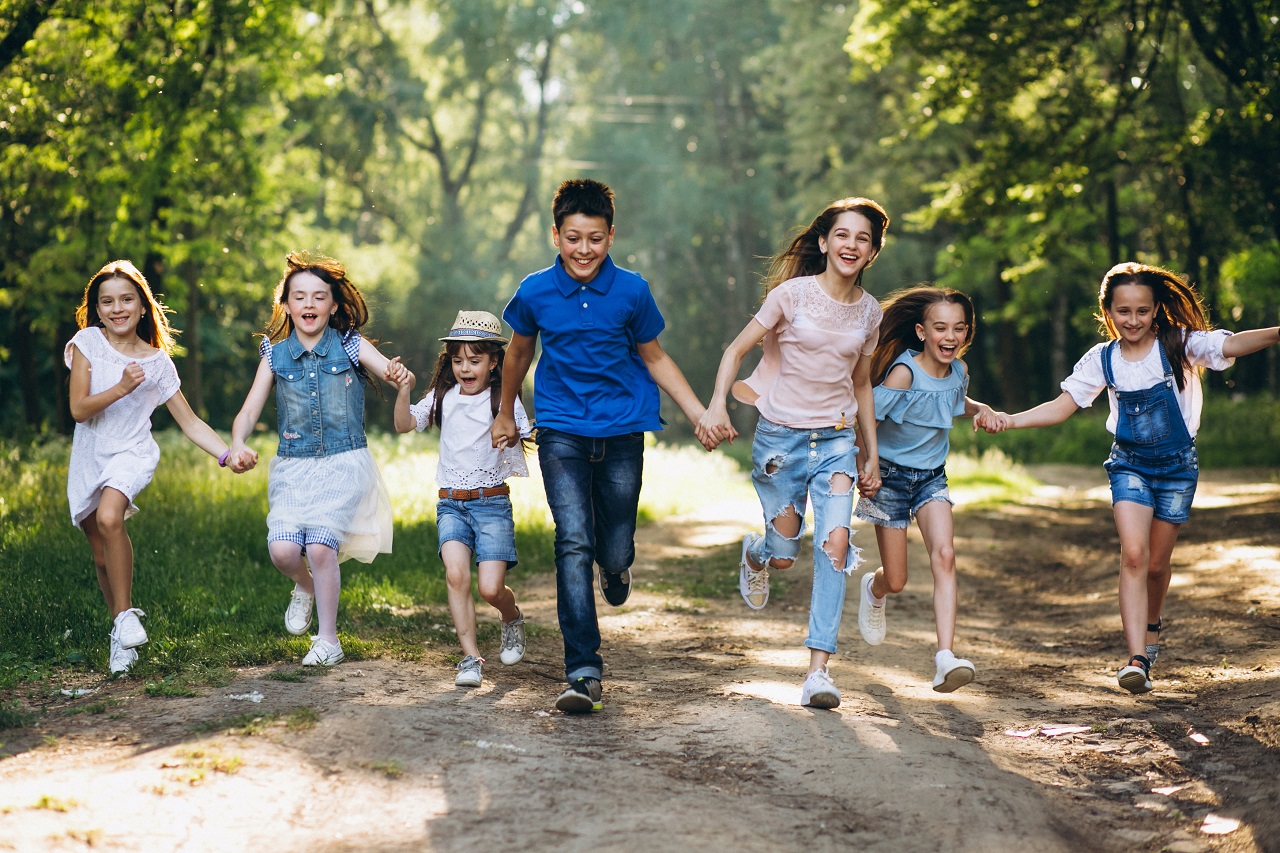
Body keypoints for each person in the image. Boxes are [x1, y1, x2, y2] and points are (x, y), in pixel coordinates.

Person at [983, 262, 1280, 693]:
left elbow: (1230, 344)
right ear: (1108, 312)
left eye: (1142, 311)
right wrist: (1008, 420)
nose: (1133, 320)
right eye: (1123, 311)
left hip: (1178, 468)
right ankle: (1137, 659)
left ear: (1156, 309)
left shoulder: (1179, 344)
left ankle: (1153, 622)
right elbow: (1061, 406)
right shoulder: (1102, 359)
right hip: (1129, 466)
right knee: (1135, 556)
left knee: (1157, 566)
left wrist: (1274, 333)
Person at [491, 178, 726, 714]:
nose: (583, 250)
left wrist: (699, 414)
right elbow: (518, 354)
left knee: (612, 545)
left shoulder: (632, 291)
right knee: (572, 539)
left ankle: (616, 567)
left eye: (594, 239)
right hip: (561, 430)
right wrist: (505, 412)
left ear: (611, 236)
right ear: (556, 235)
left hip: (621, 431)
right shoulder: (534, 291)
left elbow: (655, 357)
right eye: (573, 238)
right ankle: (583, 671)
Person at [700, 197, 889, 709]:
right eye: (843, 235)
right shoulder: (791, 295)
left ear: (872, 251)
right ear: (825, 242)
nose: (852, 245)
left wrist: (869, 454)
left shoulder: (870, 312)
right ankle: (757, 554)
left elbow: (863, 384)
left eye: (863, 239)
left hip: (835, 443)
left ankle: (818, 673)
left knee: (834, 549)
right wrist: (717, 405)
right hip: (780, 442)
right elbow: (734, 351)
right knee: (785, 555)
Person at [66, 260, 250, 676]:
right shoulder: (87, 344)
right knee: (99, 552)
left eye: (126, 299)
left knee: (112, 517)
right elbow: (78, 409)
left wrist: (226, 455)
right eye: (107, 301)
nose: (117, 309)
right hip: (91, 452)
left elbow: (190, 422)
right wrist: (120, 387)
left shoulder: (158, 363)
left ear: (143, 306)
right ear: (97, 310)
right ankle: (121, 631)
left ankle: (126, 614)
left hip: (132, 451)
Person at [228, 251, 409, 667]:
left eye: (319, 297)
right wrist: (238, 442)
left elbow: (392, 372)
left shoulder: (349, 344)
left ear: (333, 305)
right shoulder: (274, 355)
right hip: (294, 467)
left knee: (322, 547)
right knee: (283, 552)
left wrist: (401, 378)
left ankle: (328, 640)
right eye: (300, 297)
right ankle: (305, 586)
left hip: (344, 462)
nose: (309, 305)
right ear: (287, 305)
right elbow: (250, 410)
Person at [852, 285, 1000, 693]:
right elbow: (865, 418)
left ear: (967, 333)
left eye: (959, 329)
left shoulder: (959, 371)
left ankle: (944, 658)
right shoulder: (903, 373)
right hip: (891, 479)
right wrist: (867, 464)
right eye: (940, 328)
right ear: (921, 331)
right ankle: (874, 587)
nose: (950, 337)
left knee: (945, 555)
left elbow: (954, 400)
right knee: (896, 579)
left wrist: (981, 408)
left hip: (932, 477)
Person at [393, 310, 532, 689]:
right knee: (456, 576)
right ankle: (470, 658)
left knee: (490, 589)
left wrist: (513, 435)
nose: (465, 368)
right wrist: (404, 390)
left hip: (491, 505)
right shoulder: (442, 396)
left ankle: (511, 616)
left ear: (493, 362)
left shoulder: (502, 400)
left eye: (474, 360)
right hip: (451, 503)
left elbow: (522, 430)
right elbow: (404, 424)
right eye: (458, 360)